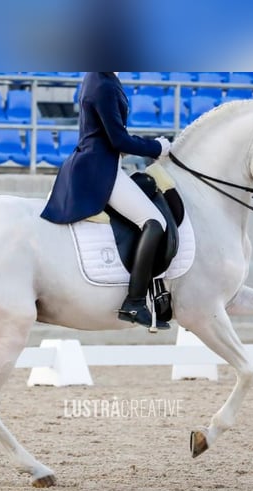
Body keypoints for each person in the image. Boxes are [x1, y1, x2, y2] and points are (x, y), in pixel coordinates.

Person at [41, 72, 171, 329]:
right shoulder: (103, 84)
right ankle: (134, 303)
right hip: (99, 169)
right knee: (155, 222)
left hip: (103, 163)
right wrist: (157, 148)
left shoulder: (100, 77)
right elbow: (117, 138)